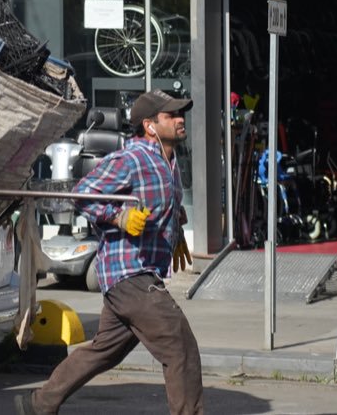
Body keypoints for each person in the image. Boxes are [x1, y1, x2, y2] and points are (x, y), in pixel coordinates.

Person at [16, 89, 202, 415]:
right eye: (171, 115)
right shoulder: (131, 159)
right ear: (150, 125)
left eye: (180, 113)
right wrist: (118, 217)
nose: (179, 119)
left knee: (104, 351)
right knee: (180, 346)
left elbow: (161, 204)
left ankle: (38, 405)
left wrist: (177, 233)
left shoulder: (168, 161)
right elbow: (82, 194)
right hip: (129, 273)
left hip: (140, 272)